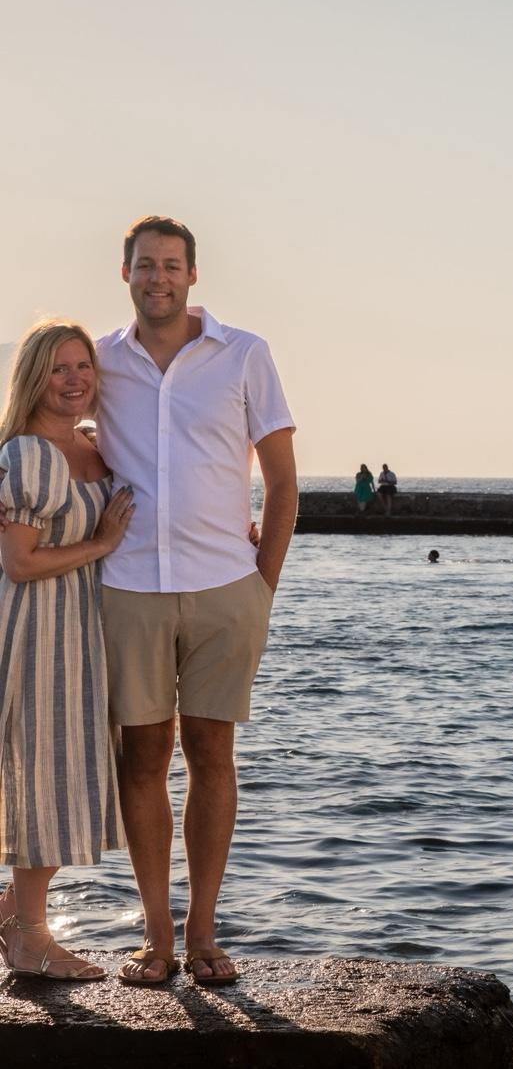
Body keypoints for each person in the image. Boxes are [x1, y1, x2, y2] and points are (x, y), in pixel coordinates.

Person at [97, 216, 297, 986]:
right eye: (146, 265)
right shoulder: (102, 362)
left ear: (192, 275)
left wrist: (261, 586)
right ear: (126, 274)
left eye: (172, 266)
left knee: (213, 753)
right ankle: (155, 936)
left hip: (225, 590)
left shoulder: (245, 355)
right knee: (141, 758)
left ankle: (205, 932)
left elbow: (281, 483)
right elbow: (59, 434)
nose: (159, 278)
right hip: (128, 588)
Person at [0, 320, 135, 980]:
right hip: (35, 630)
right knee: (40, 777)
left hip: (83, 631)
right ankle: (30, 938)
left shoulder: (92, 446)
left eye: (83, 366)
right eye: (59, 368)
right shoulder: (27, 456)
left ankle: (12, 913)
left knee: (70, 774)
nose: (75, 378)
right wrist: (100, 547)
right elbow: (20, 565)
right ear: (34, 376)